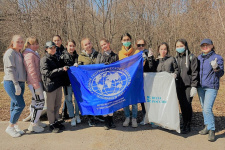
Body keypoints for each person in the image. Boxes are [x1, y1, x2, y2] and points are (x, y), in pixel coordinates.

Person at [197, 39, 224, 142]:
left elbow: (220, 74)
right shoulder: (199, 58)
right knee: (204, 107)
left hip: (211, 87)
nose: (205, 47)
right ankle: (207, 127)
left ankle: (212, 129)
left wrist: (216, 67)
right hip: (200, 87)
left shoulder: (217, 58)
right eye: (202, 45)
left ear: (212, 46)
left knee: (207, 108)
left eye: (207, 45)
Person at [40, 41, 68, 133]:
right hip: (50, 86)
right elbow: (47, 73)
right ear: (46, 49)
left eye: (54, 48)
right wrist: (60, 70)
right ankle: (51, 124)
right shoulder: (44, 59)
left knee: (57, 105)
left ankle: (56, 121)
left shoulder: (56, 57)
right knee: (51, 107)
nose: (53, 49)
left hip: (57, 85)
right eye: (51, 48)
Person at [3, 35, 26, 137]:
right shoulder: (10, 52)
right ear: (12, 42)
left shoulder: (19, 53)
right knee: (20, 104)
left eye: (22, 42)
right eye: (18, 42)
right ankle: (10, 127)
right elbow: (10, 70)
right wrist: (16, 84)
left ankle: (15, 125)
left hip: (21, 82)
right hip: (12, 82)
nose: (20, 43)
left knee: (14, 105)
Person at [22, 36, 47, 133]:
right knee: (40, 102)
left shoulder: (33, 53)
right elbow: (31, 71)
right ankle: (33, 125)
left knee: (35, 102)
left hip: (37, 82)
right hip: (34, 83)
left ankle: (36, 121)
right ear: (28, 45)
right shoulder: (29, 55)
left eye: (37, 44)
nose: (36, 46)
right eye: (33, 44)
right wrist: (36, 85)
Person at [175, 39, 199, 134]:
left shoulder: (191, 57)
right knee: (182, 104)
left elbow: (195, 72)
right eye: (177, 46)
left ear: (185, 46)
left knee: (187, 104)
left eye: (181, 46)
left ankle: (188, 124)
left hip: (188, 85)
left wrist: (194, 85)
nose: (179, 48)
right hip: (179, 86)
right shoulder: (176, 58)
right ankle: (184, 122)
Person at [78, 38, 103, 126]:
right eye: (86, 44)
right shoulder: (81, 56)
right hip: (87, 83)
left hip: (97, 82)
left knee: (97, 98)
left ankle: (98, 115)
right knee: (89, 100)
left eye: (89, 43)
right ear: (83, 47)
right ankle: (90, 118)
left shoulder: (98, 54)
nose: (88, 45)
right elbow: (79, 70)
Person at [96, 38, 119, 130]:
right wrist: (103, 66)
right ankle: (106, 121)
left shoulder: (115, 55)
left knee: (111, 102)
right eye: (101, 45)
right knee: (104, 102)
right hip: (102, 82)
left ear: (108, 44)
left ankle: (111, 120)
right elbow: (96, 68)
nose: (103, 46)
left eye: (105, 44)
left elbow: (118, 68)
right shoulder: (100, 56)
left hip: (112, 82)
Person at [118, 33, 140, 128]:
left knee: (134, 101)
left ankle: (134, 118)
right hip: (124, 81)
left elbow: (140, 65)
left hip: (134, 79)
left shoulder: (136, 52)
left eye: (128, 39)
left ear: (131, 40)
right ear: (121, 41)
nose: (126, 41)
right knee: (125, 100)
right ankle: (127, 117)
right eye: (124, 40)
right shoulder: (120, 53)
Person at [60, 39, 81, 127]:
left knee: (77, 99)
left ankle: (77, 115)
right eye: (70, 46)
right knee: (68, 100)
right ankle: (72, 117)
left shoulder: (77, 56)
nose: (71, 47)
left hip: (76, 82)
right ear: (66, 46)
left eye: (73, 46)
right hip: (66, 82)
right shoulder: (62, 57)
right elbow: (60, 69)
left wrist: (78, 65)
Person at [135, 39, 155, 125]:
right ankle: (145, 117)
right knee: (142, 100)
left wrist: (150, 58)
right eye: (139, 45)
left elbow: (152, 67)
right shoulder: (135, 54)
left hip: (148, 79)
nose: (141, 47)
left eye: (142, 45)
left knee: (150, 99)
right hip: (139, 80)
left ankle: (152, 118)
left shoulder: (148, 53)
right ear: (136, 45)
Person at [53, 35, 69, 120]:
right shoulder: (52, 50)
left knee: (66, 95)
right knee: (57, 96)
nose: (56, 42)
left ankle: (64, 111)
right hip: (56, 76)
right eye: (54, 41)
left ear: (61, 41)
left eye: (58, 40)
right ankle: (56, 113)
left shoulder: (65, 50)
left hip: (65, 75)